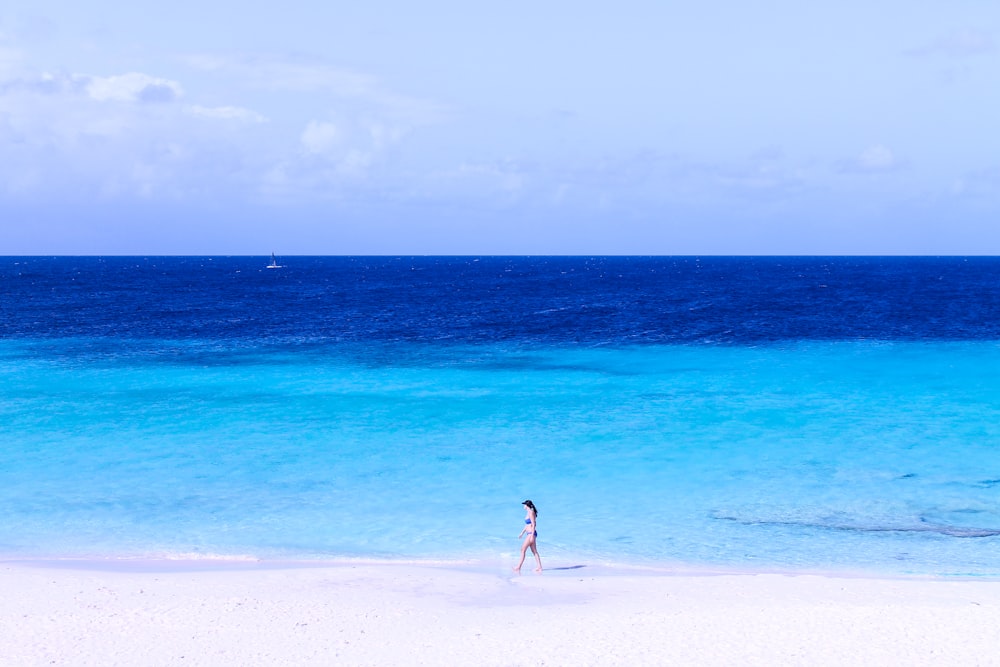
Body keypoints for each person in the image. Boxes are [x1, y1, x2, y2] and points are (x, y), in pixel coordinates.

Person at [514, 499, 542, 573]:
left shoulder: (531, 512)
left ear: (527, 505)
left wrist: (532, 535)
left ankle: (518, 567)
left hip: (531, 534)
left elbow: (533, 524)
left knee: (522, 550)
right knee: (534, 551)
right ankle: (539, 567)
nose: (523, 506)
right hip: (529, 533)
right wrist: (522, 533)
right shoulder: (528, 513)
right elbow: (527, 525)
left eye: (524, 505)